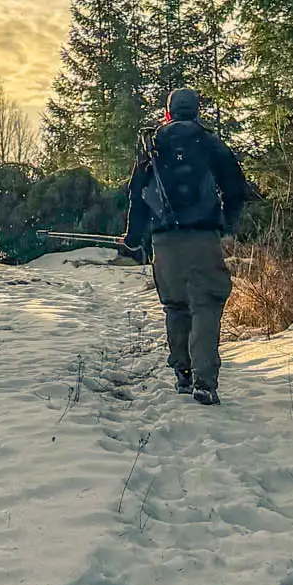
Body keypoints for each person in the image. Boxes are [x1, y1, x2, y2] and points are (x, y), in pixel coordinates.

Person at [120, 86, 253, 405]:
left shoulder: (152, 146)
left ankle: (183, 373)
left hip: (164, 240)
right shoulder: (209, 142)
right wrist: (228, 224)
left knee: (176, 305)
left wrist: (133, 236)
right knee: (206, 304)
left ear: (168, 113)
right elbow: (236, 188)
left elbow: (136, 194)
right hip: (204, 236)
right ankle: (204, 381)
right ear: (197, 112)